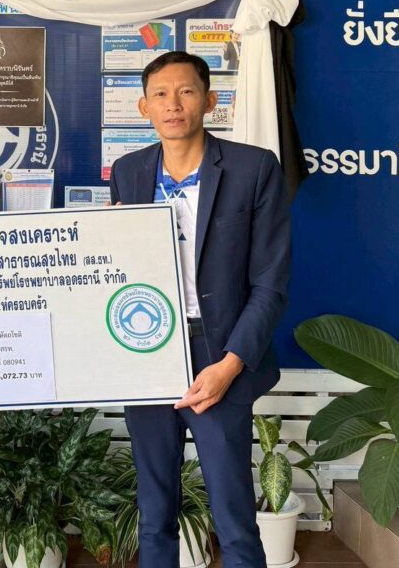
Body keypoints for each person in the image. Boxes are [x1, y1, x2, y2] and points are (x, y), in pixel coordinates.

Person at [108, 52, 290, 568]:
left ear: (209, 101)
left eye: (186, 92)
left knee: (233, 516)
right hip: (147, 350)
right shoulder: (128, 171)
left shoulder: (254, 168)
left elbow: (270, 284)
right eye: (161, 95)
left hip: (219, 353)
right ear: (143, 107)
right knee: (154, 511)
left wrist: (230, 366)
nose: (174, 104)